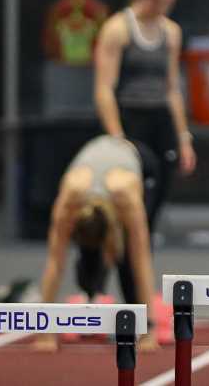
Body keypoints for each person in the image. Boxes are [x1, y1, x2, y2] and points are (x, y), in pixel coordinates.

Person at [94, 0, 197, 236]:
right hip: (131, 117)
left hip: (160, 118)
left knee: (156, 197)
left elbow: (173, 88)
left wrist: (183, 138)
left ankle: (142, 255)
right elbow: (104, 88)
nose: (164, 9)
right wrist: (117, 136)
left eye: (168, 3)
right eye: (160, 2)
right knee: (131, 198)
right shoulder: (117, 28)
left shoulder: (171, 32)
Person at [34, 135, 161, 352]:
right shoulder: (68, 203)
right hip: (93, 172)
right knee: (89, 270)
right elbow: (55, 263)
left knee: (129, 262)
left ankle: (141, 319)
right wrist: (44, 332)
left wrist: (149, 332)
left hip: (141, 160)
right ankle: (92, 298)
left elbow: (142, 261)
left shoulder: (127, 198)